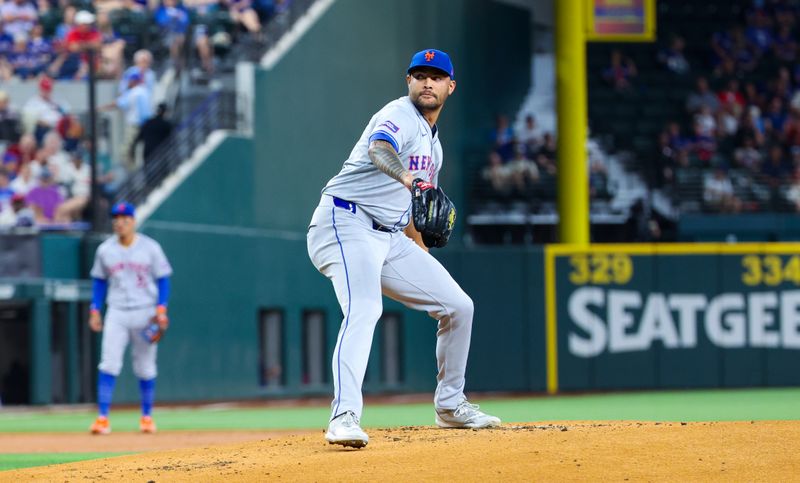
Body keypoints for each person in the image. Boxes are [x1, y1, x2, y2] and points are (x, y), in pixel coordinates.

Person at [306, 49, 501, 449]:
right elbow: (380, 149)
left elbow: (411, 212)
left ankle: (450, 405)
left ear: (451, 86)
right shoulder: (397, 115)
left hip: (391, 236)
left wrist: (420, 253)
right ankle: (343, 417)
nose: (427, 82)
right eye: (419, 75)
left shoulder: (435, 146)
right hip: (345, 220)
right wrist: (408, 178)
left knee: (458, 307)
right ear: (407, 81)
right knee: (365, 308)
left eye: (436, 76)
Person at [88, 202, 173, 435]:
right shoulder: (105, 250)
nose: (119, 222)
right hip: (117, 311)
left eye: (125, 218)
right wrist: (95, 309)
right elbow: (99, 281)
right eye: (116, 218)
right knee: (108, 363)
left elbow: (164, 279)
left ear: (133, 221)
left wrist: (161, 309)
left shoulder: (150, 248)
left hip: (146, 311)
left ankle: (147, 417)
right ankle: (102, 418)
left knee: (145, 367)